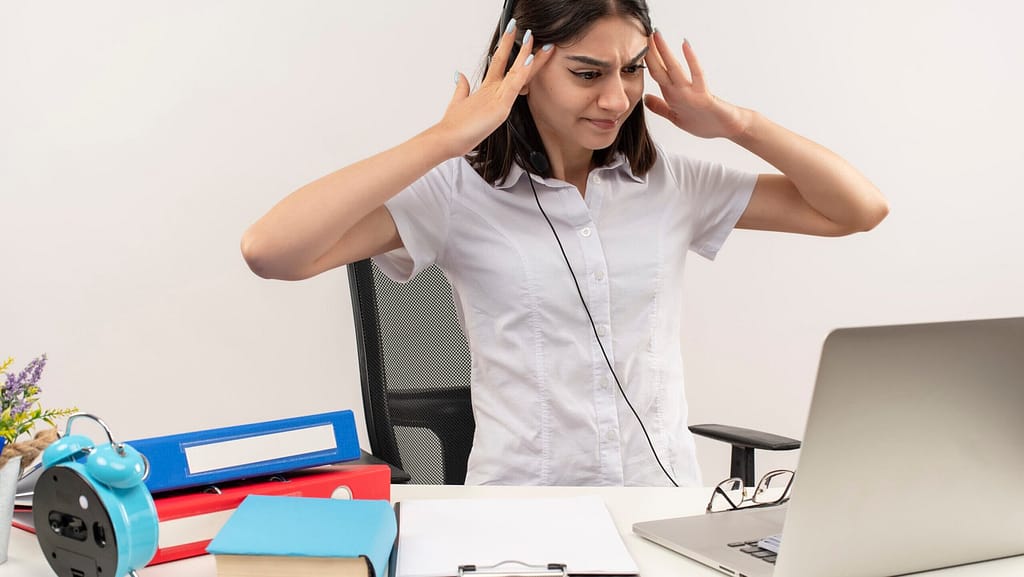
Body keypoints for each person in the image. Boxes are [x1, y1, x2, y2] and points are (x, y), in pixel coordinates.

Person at [240, 0, 888, 487]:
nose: (617, 98)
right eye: (588, 73)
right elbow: (270, 249)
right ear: (525, 67)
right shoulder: (456, 194)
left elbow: (858, 208)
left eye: (632, 70)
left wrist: (735, 123)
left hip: (659, 507)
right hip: (521, 517)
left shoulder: (668, 183)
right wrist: (443, 140)